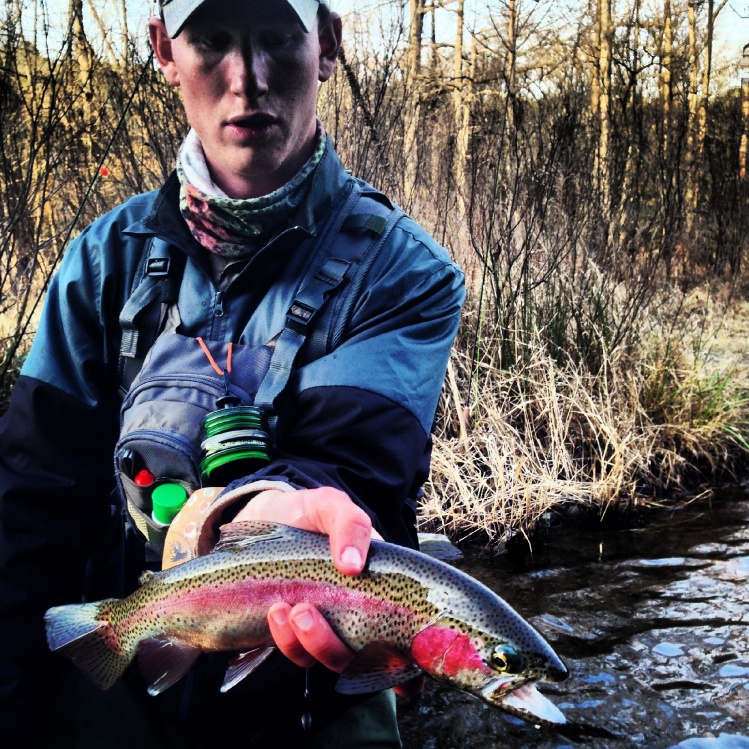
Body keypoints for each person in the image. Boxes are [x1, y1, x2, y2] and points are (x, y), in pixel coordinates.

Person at [0, 0, 464, 746]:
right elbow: (25, 522)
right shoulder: (98, 264)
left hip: (313, 692)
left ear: (328, 47)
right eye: (212, 40)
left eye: (278, 39)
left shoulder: (407, 272)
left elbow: (356, 481)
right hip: (123, 673)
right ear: (163, 50)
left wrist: (262, 515)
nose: (246, 80)